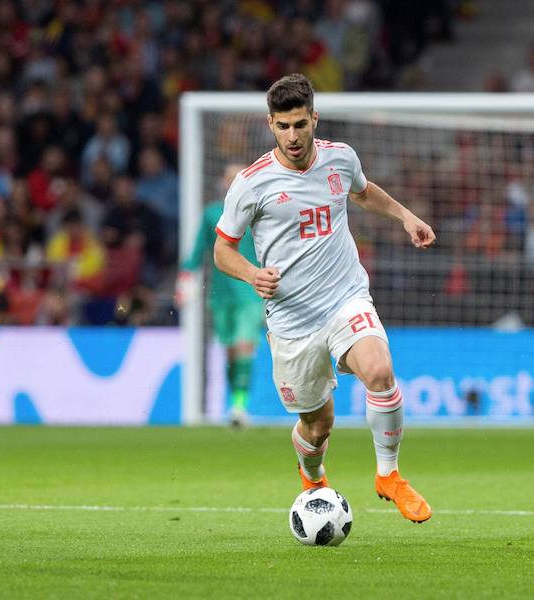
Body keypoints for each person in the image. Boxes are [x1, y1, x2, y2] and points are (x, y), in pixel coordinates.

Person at [214, 74, 435, 523]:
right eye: (282, 126)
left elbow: (363, 191)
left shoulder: (340, 159)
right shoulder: (251, 183)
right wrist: (253, 274)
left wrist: (405, 217)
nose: (292, 136)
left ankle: (388, 475)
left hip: (344, 297)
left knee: (379, 370)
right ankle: (313, 478)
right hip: (292, 322)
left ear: (314, 118)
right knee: (318, 426)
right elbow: (222, 250)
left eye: (300, 124)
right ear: (270, 125)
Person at [178, 163, 265, 428]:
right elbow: (198, 252)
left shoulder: (258, 212)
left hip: (251, 292)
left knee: (244, 345)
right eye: (228, 178)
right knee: (230, 351)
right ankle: (234, 403)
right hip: (221, 294)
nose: (232, 182)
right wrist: (185, 278)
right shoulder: (212, 214)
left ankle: (240, 406)